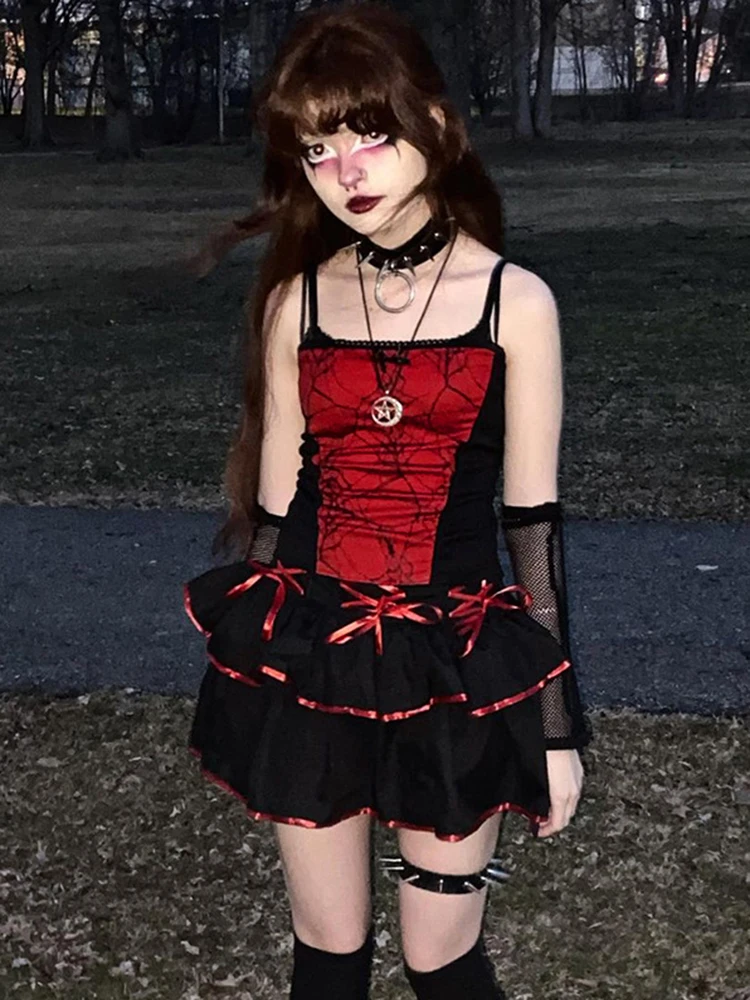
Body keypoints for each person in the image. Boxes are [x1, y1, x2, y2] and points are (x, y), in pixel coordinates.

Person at [184, 3, 594, 998]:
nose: (346, 171)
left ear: (436, 126)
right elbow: (277, 509)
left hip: (455, 663)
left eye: (368, 134)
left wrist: (554, 727)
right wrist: (256, 676)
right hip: (315, 658)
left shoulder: (515, 303)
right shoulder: (298, 301)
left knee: (440, 962)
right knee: (327, 958)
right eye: (318, 149)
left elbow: (532, 529)